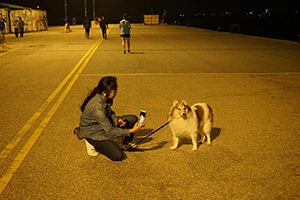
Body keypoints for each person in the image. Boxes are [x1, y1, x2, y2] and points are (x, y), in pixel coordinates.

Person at [79, 76, 145, 161]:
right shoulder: (97, 107)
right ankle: (92, 143)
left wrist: (115, 119)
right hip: (93, 132)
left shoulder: (107, 98)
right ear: (104, 93)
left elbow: (110, 111)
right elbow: (111, 131)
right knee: (118, 156)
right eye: (114, 92)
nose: (116, 93)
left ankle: (125, 143)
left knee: (132, 119)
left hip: (104, 122)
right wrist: (132, 130)